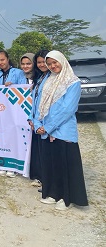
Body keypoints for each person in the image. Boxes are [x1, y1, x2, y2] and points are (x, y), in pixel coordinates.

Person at [34, 50, 88, 211]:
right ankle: (53, 193)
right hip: (45, 131)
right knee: (51, 164)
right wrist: (37, 124)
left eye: (54, 62)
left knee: (65, 165)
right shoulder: (47, 80)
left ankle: (66, 198)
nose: (52, 66)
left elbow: (67, 109)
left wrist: (48, 126)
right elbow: (38, 103)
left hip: (62, 131)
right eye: (49, 63)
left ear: (62, 61)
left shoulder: (72, 82)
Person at [0, 50, 26, 178]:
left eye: (2, 60)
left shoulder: (18, 72)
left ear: (8, 59)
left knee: (13, 137)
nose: (0, 63)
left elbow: (24, 89)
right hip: (0, 111)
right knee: (2, 137)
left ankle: (13, 166)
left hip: (14, 110)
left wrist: (14, 86)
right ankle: (3, 164)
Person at [28, 50, 50, 186]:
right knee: (38, 149)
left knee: (47, 151)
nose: (42, 64)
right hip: (36, 120)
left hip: (46, 121)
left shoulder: (52, 78)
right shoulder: (39, 78)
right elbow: (33, 101)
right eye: (39, 62)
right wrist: (31, 118)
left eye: (44, 62)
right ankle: (40, 177)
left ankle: (46, 179)